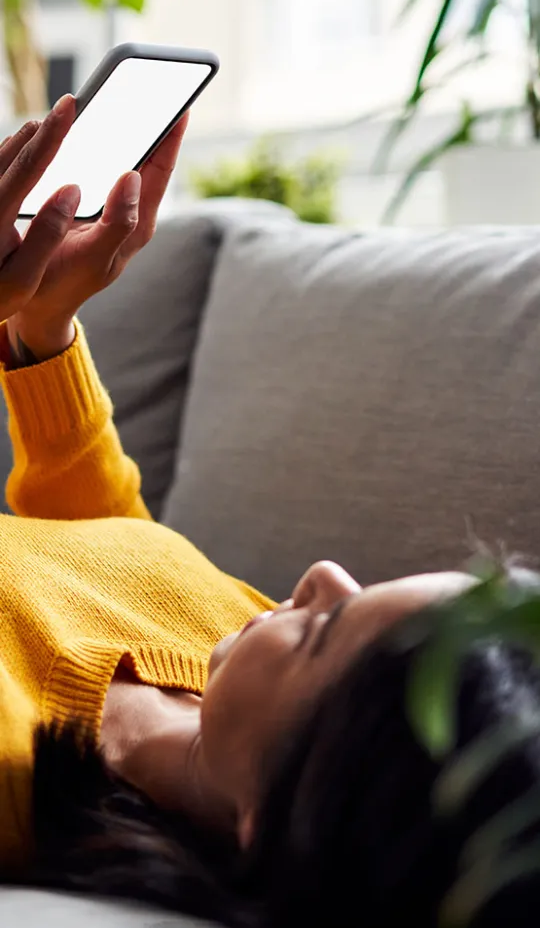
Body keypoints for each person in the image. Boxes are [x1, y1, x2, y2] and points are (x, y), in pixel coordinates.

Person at [0, 98, 539, 927]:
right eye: (362, 591)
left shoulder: (17, 773)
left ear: (277, 813)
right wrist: (44, 331)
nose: (322, 575)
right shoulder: (234, 639)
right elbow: (112, 545)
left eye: (324, 633)